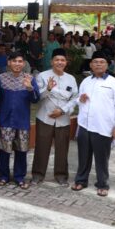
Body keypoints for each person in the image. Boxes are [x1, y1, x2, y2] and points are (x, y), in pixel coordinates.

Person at [72, 51, 115, 197]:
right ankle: (81, 181)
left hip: (103, 126)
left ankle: (102, 184)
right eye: (95, 62)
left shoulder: (114, 83)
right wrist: (80, 99)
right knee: (83, 156)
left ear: (107, 65)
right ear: (91, 65)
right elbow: (78, 99)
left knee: (101, 158)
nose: (98, 64)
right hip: (84, 124)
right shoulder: (86, 81)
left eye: (102, 62)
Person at [0, 52, 40, 189]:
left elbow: (36, 99)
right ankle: (3, 176)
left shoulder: (30, 78)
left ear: (24, 63)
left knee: (21, 151)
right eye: (14, 61)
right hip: (4, 120)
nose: (17, 64)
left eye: (20, 61)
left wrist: (30, 88)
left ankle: (20, 177)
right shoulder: (0, 78)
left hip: (22, 121)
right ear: (9, 63)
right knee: (4, 151)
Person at [32, 48, 78, 185]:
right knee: (41, 147)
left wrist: (62, 111)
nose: (60, 62)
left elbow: (74, 99)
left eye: (62, 60)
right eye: (57, 60)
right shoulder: (42, 76)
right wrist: (48, 89)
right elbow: (37, 97)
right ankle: (38, 175)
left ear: (66, 62)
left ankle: (61, 176)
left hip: (63, 119)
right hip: (45, 117)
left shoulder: (71, 78)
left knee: (62, 149)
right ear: (52, 61)